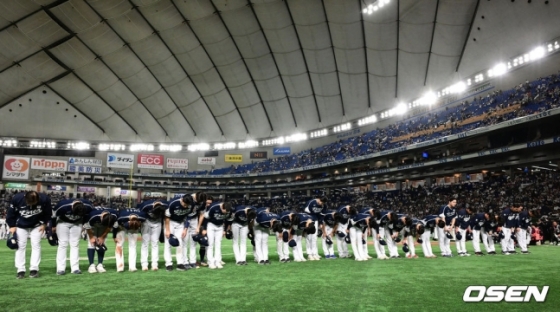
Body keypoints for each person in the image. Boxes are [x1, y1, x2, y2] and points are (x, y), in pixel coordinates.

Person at [6, 191, 52, 279]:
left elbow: (48, 213)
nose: (31, 205)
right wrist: (12, 225)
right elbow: (10, 213)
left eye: (34, 203)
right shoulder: (17, 198)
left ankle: (34, 269)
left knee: (36, 245)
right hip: (21, 225)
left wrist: (44, 224)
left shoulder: (45, 199)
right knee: (20, 246)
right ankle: (20, 270)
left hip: (37, 225)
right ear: (25, 198)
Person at [52, 198, 93, 275]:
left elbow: (88, 216)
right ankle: (60, 269)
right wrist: (53, 226)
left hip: (77, 223)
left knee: (75, 244)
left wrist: (84, 225)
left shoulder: (88, 206)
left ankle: (75, 268)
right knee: (63, 244)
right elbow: (53, 216)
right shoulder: (62, 205)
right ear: (72, 208)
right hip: (62, 222)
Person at [164, 194, 197, 271]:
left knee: (180, 243)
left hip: (181, 223)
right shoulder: (173, 203)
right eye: (184, 204)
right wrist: (168, 230)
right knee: (168, 243)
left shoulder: (191, 204)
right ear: (181, 200)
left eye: (187, 205)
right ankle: (168, 264)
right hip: (170, 222)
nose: (185, 207)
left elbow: (189, 216)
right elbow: (167, 217)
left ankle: (180, 263)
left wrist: (185, 228)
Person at [83, 207, 118, 273]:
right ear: (101, 218)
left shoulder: (114, 215)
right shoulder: (93, 215)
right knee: (92, 244)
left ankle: (100, 264)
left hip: (105, 226)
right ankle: (91, 265)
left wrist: (102, 237)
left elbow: (110, 227)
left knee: (101, 243)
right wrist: (91, 237)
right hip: (92, 225)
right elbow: (87, 226)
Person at [137, 199, 167, 271]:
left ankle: (154, 264)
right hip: (146, 222)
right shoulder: (145, 205)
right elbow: (138, 212)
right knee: (145, 243)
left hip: (158, 223)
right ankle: (144, 264)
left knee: (155, 243)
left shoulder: (166, 205)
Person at [204, 201, 232, 269]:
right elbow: (206, 218)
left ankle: (218, 261)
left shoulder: (229, 210)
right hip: (211, 225)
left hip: (220, 226)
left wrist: (225, 230)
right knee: (210, 244)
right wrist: (204, 229)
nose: (225, 212)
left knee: (218, 244)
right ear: (222, 207)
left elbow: (227, 221)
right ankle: (211, 262)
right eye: (224, 211)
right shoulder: (213, 207)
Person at [183, 192, 208, 269]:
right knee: (184, 241)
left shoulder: (203, 201)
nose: (200, 202)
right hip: (184, 219)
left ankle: (192, 261)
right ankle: (185, 262)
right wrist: (185, 228)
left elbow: (201, 214)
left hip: (194, 220)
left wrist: (198, 226)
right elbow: (186, 214)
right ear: (196, 197)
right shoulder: (188, 198)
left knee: (194, 241)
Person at [303, 196, 327, 261]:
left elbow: (322, 214)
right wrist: (308, 221)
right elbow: (306, 212)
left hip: (316, 220)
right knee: (308, 237)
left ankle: (315, 253)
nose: (321, 204)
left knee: (314, 237)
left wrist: (321, 222)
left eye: (323, 203)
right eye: (321, 202)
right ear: (318, 199)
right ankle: (309, 254)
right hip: (309, 220)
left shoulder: (323, 205)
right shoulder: (311, 202)